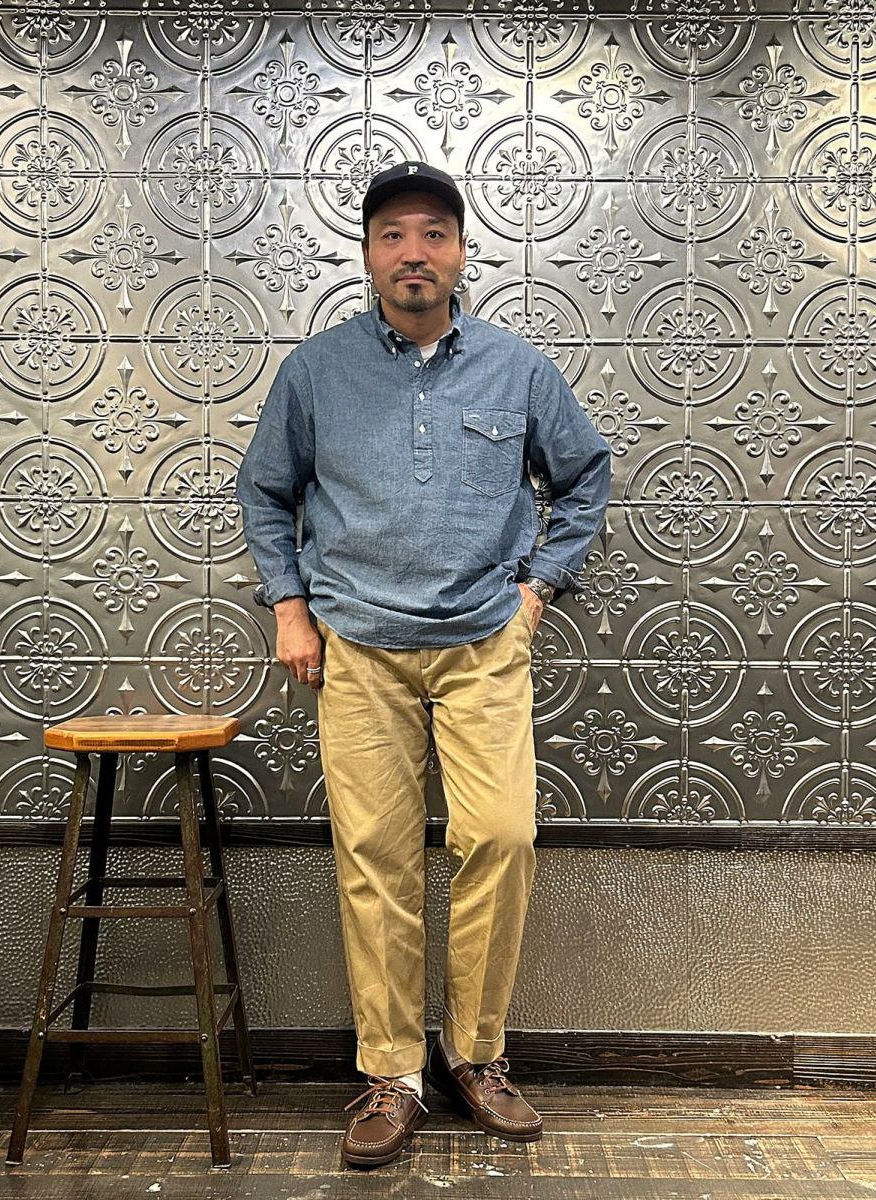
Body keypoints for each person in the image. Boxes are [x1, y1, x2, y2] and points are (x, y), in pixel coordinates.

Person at [236, 160, 611, 1169]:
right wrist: (289, 606)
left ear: (460, 253)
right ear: (367, 255)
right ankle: (392, 1074)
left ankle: (474, 1055)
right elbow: (267, 491)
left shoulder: (517, 369)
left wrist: (539, 588)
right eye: (394, 235)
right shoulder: (315, 371)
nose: (414, 252)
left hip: (483, 646)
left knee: (501, 838)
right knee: (377, 859)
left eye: (434, 234)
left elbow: (585, 476)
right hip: (357, 648)